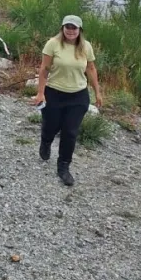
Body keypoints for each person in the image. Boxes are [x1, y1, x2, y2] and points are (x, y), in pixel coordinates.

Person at [33, 15, 103, 187]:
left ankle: (63, 166)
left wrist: (98, 92)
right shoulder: (53, 44)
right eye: (68, 27)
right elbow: (44, 69)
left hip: (78, 96)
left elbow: (91, 69)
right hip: (54, 93)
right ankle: (46, 141)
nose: (71, 31)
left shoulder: (86, 47)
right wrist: (40, 93)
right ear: (62, 28)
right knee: (51, 126)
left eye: (74, 28)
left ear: (80, 30)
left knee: (70, 132)